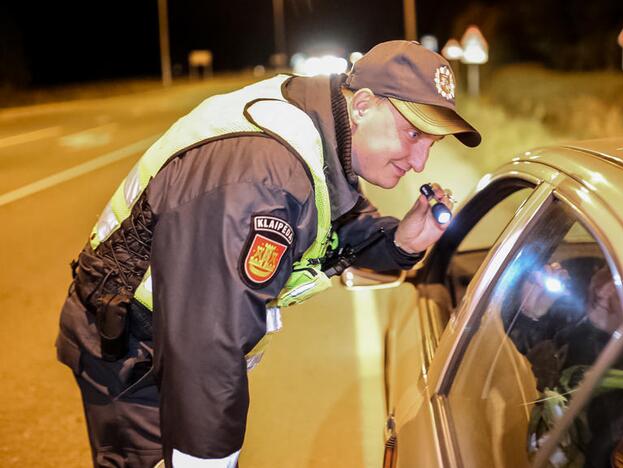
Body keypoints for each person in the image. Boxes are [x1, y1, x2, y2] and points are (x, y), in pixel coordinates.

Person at [55, 40, 481, 467]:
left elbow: (338, 221)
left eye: (432, 143)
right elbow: (208, 341)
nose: (421, 161)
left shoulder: (325, 123)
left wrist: (402, 242)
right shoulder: (260, 178)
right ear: (364, 105)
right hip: (135, 354)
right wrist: (208, 460)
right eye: (413, 135)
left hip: (172, 338)